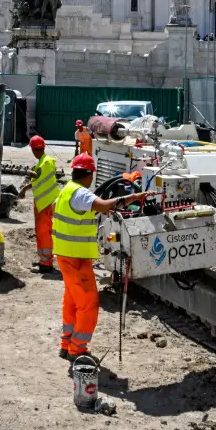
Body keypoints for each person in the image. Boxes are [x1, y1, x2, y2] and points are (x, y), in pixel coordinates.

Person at [53, 153, 146, 359]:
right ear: (88, 175)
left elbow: (87, 210)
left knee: (71, 302)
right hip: (76, 260)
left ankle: (66, 343)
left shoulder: (66, 191)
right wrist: (132, 197)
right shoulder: (81, 194)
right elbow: (104, 205)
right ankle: (78, 349)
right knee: (88, 303)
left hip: (68, 257)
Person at [18, 135, 59, 274]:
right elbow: (38, 178)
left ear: (35, 150)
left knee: (44, 233)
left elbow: (38, 176)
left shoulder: (45, 162)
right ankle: (43, 259)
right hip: (43, 203)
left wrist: (29, 179)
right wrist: (25, 188)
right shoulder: (44, 161)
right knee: (41, 233)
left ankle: (46, 264)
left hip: (45, 204)